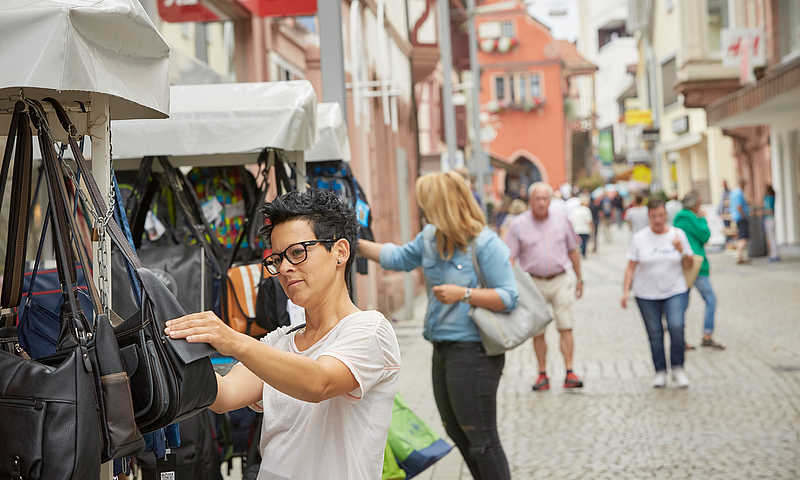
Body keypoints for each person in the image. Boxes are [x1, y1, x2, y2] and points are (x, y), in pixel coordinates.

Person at [165, 190, 401, 480]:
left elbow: (319, 382)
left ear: (340, 251)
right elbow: (224, 394)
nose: (285, 268)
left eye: (298, 252)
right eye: (277, 258)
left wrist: (234, 341)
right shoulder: (279, 341)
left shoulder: (370, 330)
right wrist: (169, 350)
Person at [359, 171, 517, 480]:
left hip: (474, 353)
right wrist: (352, 242)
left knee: (481, 438)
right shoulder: (431, 237)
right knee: (458, 432)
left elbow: (509, 296)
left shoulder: (484, 244)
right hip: (442, 348)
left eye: (426, 203)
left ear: (441, 204)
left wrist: (465, 294)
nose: (422, 209)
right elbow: (397, 257)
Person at [505, 182, 584, 391]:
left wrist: (580, 278)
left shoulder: (561, 221)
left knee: (565, 325)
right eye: (537, 199)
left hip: (560, 279)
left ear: (550, 200)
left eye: (545, 198)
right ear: (530, 201)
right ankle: (542, 373)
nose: (541, 203)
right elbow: (510, 258)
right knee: (538, 330)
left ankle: (569, 370)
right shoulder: (518, 224)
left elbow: (573, 250)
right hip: (533, 282)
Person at [622, 198, 694, 388]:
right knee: (655, 333)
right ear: (649, 216)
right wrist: (625, 291)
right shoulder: (639, 238)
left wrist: (682, 251)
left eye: (661, 215)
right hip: (646, 294)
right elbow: (630, 267)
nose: (658, 220)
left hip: (675, 290)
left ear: (666, 215)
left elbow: (689, 264)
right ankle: (660, 370)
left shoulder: (678, 235)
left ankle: (678, 367)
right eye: (654, 216)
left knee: (676, 327)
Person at [673, 191, 725, 350]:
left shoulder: (678, 218)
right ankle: (707, 335)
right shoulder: (689, 218)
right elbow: (705, 236)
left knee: (682, 303)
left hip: (683, 263)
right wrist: (702, 219)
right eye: (699, 204)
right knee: (710, 299)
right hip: (697, 264)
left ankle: (680, 338)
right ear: (694, 205)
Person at [729, 178, 750, 264]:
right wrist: (744, 216)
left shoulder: (734, 193)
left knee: (740, 237)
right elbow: (739, 206)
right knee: (743, 238)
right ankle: (739, 255)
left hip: (736, 217)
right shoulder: (739, 193)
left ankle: (740, 256)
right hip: (741, 218)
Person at [763, 185, 779, 262]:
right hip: (767, 219)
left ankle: (774, 255)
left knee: (772, 238)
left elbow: (770, 210)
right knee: (770, 238)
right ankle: (773, 254)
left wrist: (762, 211)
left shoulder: (770, 198)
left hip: (770, 219)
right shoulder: (767, 198)